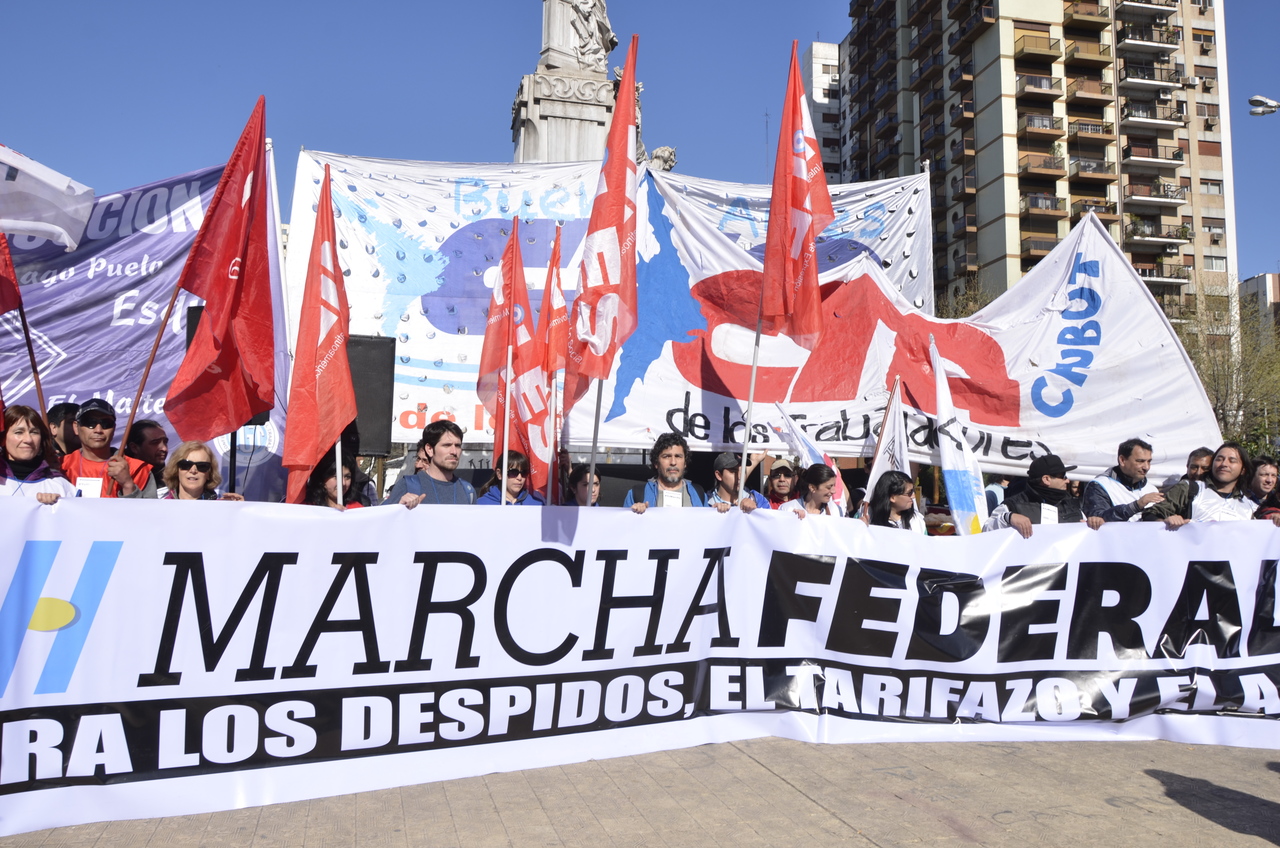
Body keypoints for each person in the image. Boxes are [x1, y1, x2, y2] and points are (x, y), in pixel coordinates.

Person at [983, 455, 1103, 538]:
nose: (1067, 481)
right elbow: (985, 531)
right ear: (1046, 479)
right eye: (1063, 476)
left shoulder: (1073, 506)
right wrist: (1007, 518)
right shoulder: (1012, 505)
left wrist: (1091, 525)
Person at [1144, 442, 1260, 526]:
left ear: (1243, 470)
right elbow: (1150, 515)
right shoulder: (1189, 489)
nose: (1224, 464)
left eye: (1232, 460)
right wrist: (1165, 521)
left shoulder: (1249, 506)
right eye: (1219, 459)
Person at [60, 399, 155, 498]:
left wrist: (127, 485)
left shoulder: (138, 469)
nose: (98, 430)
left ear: (114, 428)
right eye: (90, 423)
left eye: (106, 423)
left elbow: (150, 508)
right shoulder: (60, 467)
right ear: (76, 427)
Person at [384, 420, 476, 507]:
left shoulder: (467, 490)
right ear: (429, 449)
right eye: (447, 445)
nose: (454, 451)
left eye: (457, 446)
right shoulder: (407, 485)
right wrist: (400, 507)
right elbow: (385, 516)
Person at [0, 405, 77, 503]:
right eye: (19, 432)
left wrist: (57, 506)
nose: (28, 439)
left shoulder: (59, 486)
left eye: (34, 432)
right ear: (3, 438)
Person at [1083, 437, 1163, 523]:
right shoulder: (1100, 485)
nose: (1146, 467)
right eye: (1140, 461)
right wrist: (1136, 506)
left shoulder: (1152, 489)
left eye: (1149, 461)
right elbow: (1098, 519)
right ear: (1122, 460)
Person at [623, 432, 707, 513]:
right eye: (666, 456)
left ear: (685, 463)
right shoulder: (637, 494)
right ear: (656, 463)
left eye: (678, 456)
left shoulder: (699, 494)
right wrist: (632, 514)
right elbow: (623, 521)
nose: (673, 462)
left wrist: (714, 512)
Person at [161, 441, 243, 501]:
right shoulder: (161, 507)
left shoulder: (222, 508)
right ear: (176, 470)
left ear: (209, 474)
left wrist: (240, 511)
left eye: (202, 466)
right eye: (186, 465)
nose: (193, 470)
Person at [477, 451, 545, 505]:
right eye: (513, 472)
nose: (519, 478)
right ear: (499, 474)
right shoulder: (482, 504)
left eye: (524, 473)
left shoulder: (537, 505)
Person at [778, 463, 845, 518]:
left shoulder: (835, 510)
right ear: (812, 488)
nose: (834, 491)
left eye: (834, 485)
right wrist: (792, 519)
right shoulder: (787, 509)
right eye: (829, 487)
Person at [126, 419, 170, 489]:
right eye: (155, 443)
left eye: (165, 442)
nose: (164, 448)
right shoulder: (118, 478)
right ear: (134, 448)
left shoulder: (172, 478)